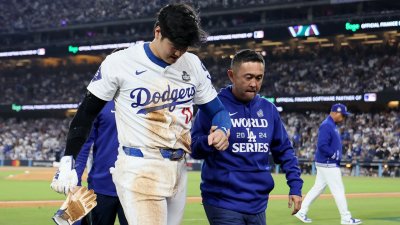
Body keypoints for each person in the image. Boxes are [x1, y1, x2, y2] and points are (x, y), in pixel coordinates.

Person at [50, 3, 231, 225]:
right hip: (139, 167)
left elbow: (219, 111)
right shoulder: (120, 62)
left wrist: (222, 129)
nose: (179, 52)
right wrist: (68, 159)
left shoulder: (192, 64)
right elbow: (85, 115)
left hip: (178, 167)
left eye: (184, 47)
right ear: (158, 32)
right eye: (174, 45)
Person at [190, 49, 303, 225]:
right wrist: (209, 141)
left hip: (258, 203)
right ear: (231, 76)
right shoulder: (213, 107)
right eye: (248, 77)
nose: (254, 84)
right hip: (223, 201)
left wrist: (295, 186)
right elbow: (194, 147)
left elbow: (285, 151)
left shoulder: (268, 109)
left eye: (259, 78)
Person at [294, 103, 362, 225]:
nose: (344, 118)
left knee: (317, 189)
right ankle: (346, 218)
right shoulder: (327, 125)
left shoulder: (331, 124)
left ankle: (301, 211)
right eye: (342, 115)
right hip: (328, 164)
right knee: (338, 190)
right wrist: (333, 154)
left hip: (325, 164)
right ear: (335, 113)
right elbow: (322, 145)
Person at [73, 101, 128, 225]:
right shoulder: (98, 100)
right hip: (101, 187)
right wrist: (76, 183)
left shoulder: (144, 99)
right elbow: (83, 145)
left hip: (136, 187)